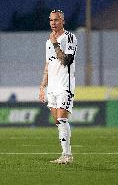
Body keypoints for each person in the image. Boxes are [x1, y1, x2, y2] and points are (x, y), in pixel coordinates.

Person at [39, 10, 78, 164]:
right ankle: (65, 154)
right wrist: (42, 86)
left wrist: (56, 43)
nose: (53, 23)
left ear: (63, 21)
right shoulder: (48, 42)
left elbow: (66, 61)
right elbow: (48, 65)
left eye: (56, 20)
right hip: (52, 87)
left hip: (65, 85)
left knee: (62, 119)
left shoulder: (69, 37)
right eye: (51, 20)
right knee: (57, 121)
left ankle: (67, 155)